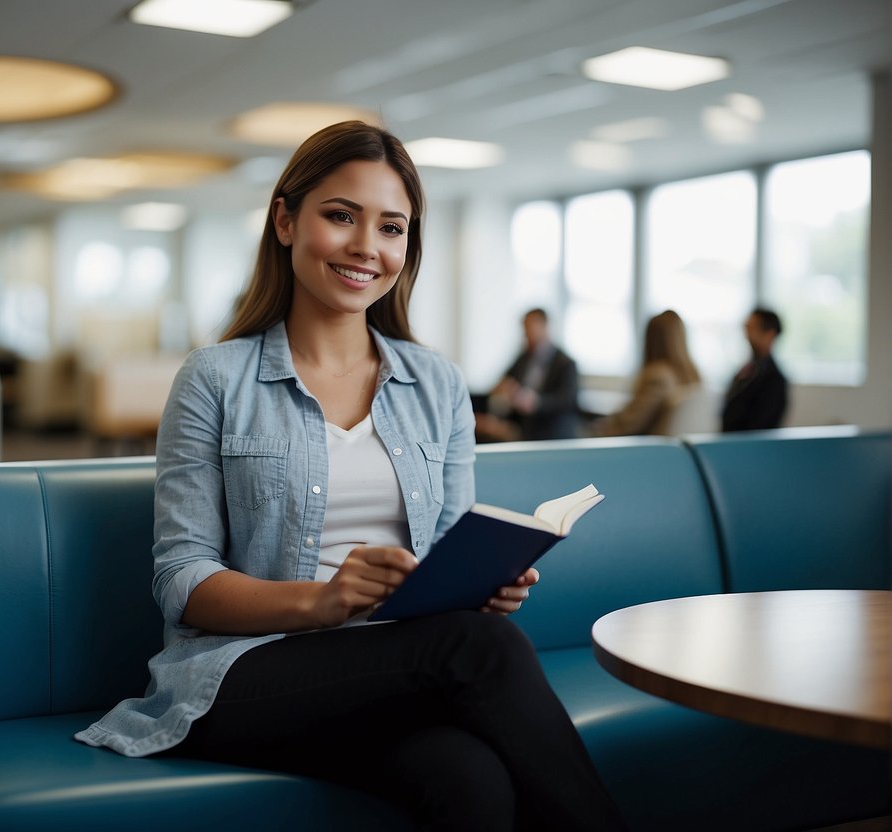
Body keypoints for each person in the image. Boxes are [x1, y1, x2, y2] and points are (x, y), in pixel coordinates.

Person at [77, 121, 627, 831]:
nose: (367, 246)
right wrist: (322, 602)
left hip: (395, 667)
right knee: (476, 649)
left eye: (391, 228)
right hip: (244, 677)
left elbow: (442, 551)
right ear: (285, 219)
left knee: (470, 781)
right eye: (340, 216)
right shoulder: (213, 378)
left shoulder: (437, 384)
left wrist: (478, 583)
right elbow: (181, 579)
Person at [592, 309, 701, 436]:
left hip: (645, 448)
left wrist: (597, 431)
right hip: (680, 452)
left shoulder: (657, 376)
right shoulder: (693, 377)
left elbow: (630, 423)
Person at [476, 308, 580, 441]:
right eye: (524, 328)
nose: (526, 333)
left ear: (544, 326)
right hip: (522, 425)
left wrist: (536, 403)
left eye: (530, 327)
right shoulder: (523, 358)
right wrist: (505, 389)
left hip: (551, 430)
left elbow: (568, 401)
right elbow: (503, 382)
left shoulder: (565, 363)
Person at [721, 308, 788, 431]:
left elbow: (761, 426)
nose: (747, 335)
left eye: (751, 329)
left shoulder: (774, 380)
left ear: (769, 334)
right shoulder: (746, 372)